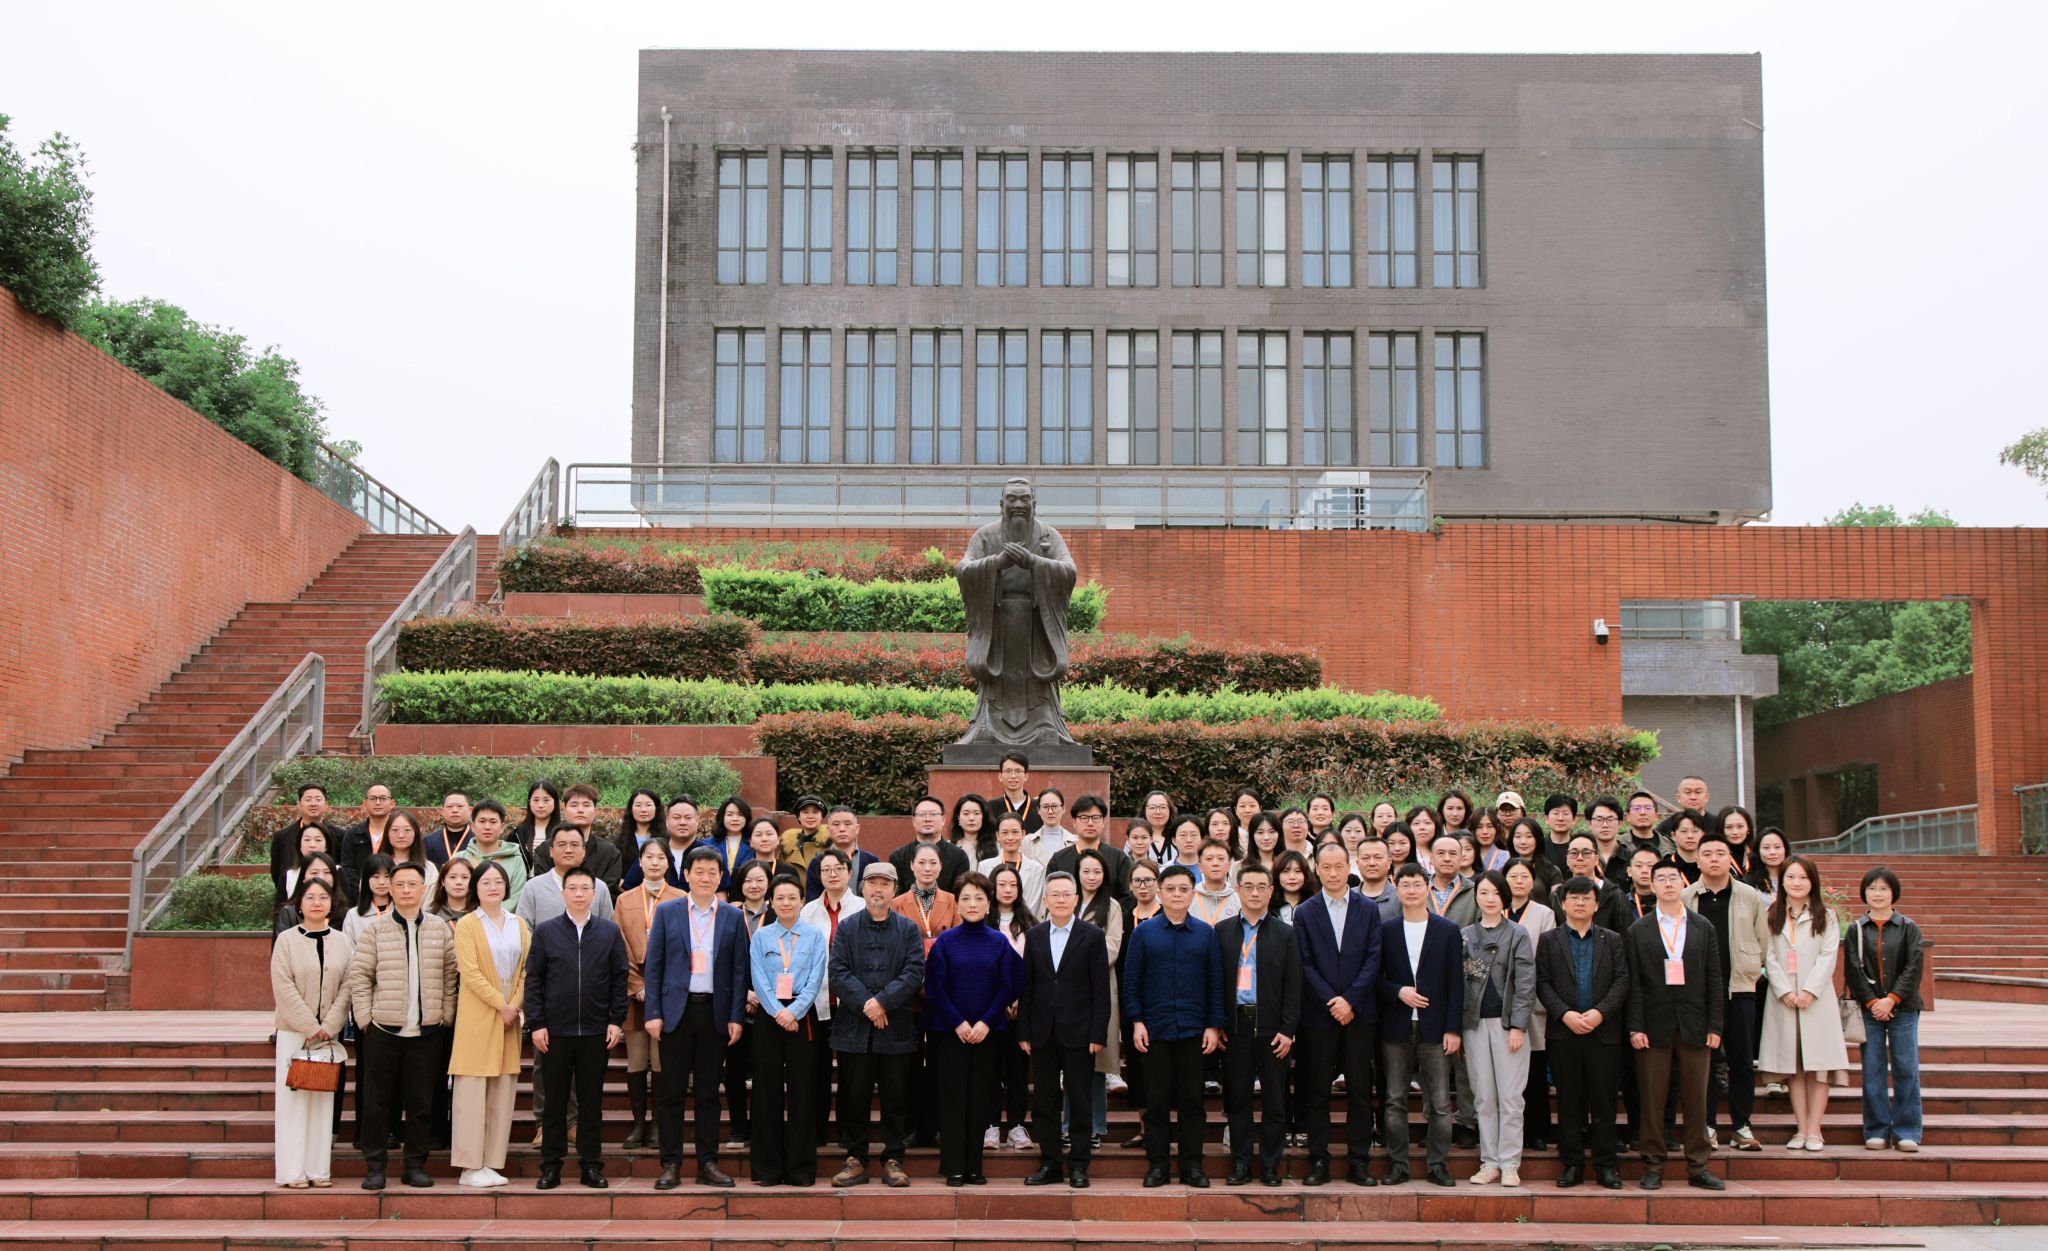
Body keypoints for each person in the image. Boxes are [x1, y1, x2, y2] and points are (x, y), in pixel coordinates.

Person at [345, 862, 458, 1191]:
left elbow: (450, 975)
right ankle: (375, 1166)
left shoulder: (439, 928)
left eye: (413, 884)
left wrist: (445, 1014)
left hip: (427, 1032)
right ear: (391, 890)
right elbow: (360, 976)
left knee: (422, 1102)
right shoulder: (375, 930)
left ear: (424, 889)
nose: (407, 890)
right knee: (377, 1102)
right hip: (383, 1031)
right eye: (400, 885)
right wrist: (365, 1019)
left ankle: (415, 1165)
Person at [644, 845, 751, 1189]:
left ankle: (708, 1163)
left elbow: (739, 971)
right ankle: (671, 1164)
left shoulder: (733, 916)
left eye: (712, 872)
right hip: (675, 1012)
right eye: (699, 871)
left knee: (708, 1093)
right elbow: (654, 965)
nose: (705, 878)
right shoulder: (667, 911)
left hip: (715, 1013)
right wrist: (653, 1012)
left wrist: (736, 1016)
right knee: (671, 1092)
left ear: (721, 877)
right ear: (686, 875)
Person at [525, 865, 628, 1190]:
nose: (579, 894)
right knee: (554, 1103)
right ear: (563, 893)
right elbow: (534, 980)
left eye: (585, 888)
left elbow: (619, 978)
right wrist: (537, 1023)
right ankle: (550, 1167)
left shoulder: (609, 932)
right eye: (573, 888)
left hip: (596, 1031)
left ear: (594, 894)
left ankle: (591, 1166)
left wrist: (616, 1020)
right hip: (555, 1032)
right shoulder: (546, 932)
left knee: (591, 1103)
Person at [1625, 859, 1725, 1191]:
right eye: (1661, 879)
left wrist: (1715, 1025)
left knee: (1696, 1099)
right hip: (1653, 1025)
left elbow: (1714, 979)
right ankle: (1653, 1165)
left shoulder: (1702, 926)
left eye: (1673, 877)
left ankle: (1698, 1166)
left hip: (1696, 1024)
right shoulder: (1638, 930)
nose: (1668, 883)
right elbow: (1634, 984)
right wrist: (1635, 1027)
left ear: (1683, 883)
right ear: (1651, 886)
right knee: (1653, 1100)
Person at [1124, 864, 1224, 1188]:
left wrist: (1213, 1025)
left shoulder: (1206, 934)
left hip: (1194, 1030)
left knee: (1193, 1101)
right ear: (1159, 893)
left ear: (1193, 894)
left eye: (1183, 889)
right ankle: (1158, 1166)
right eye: (1170, 889)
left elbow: (1215, 982)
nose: (1177, 894)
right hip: (1155, 1029)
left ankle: (1192, 1166)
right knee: (1156, 1102)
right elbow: (1131, 981)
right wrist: (1137, 1021)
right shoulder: (1143, 933)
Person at [828, 862, 926, 1189]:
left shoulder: (908, 929)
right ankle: (855, 1158)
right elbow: (838, 971)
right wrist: (867, 1004)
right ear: (862, 888)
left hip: (895, 1028)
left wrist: (883, 1001)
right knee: (854, 1096)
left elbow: (914, 971)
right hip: (854, 1028)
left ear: (895, 889)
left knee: (895, 1097)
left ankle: (894, 1158)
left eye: (885, 883)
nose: (878, 889)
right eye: (872, 883)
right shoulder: (847, 927)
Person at [1294, 839, 1384, 1187]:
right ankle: (1319, 1160)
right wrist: (1333, 1000)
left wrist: (1350, 1000)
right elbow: (1304, 963)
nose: (1333, 873)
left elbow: (1373, 958)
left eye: (1339, 866)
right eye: (1326, 867)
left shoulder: (1368, 909)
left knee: (1360, 1091)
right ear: (1316, 869)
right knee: (1317, 1090)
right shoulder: (1305, 912)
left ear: (1350, 867)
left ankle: (1358, 1162)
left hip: (1360, 1015)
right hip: (1320, 1016)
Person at [923, 872, 1022, 1186]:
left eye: (979, 898)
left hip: (986, 1033)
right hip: (951, 1032)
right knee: (953, 1099)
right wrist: (959, 1023)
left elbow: (1008, 985)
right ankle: (954, 1167)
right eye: (966, 898)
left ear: (988, 903)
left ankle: (974, 1167)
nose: (972, 904)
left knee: (981, 1099)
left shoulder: (999, 942)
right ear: (957, 903)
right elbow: (935, 988)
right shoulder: (945, 942)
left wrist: (984, 1022)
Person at [1018, 870, 1111, 1188]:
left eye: (1066, 894)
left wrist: (1098, 1033)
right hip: (1043, 1032)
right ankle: (1050, 1163)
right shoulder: (1035, 935)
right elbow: (1028, 987)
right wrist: (1024, 1031)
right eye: (1054, 894)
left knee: (1080, 1101)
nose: (1060, 899)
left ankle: (1080, 1165)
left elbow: (1101, 989)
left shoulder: (1092, 935)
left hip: (1080, 1032)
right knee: (1044, 1103)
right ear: (1045, 900)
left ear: (1076, 899)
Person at [1535, 875, 1629, 1190]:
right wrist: (1565, 1014)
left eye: (1586, 898)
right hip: (1564, 1033)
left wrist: (1600, 1012)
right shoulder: (1549, 940)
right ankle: (1572, 1164)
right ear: (1562, 904)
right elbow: (1543, 983)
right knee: (1568, 1101)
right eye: (1573, 898)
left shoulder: (1612, 939)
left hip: (1604, 1033)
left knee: (1604, 1101)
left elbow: (1622, 980)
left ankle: (1606, 1166)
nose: (1579, 903)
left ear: (1596, 904)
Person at [1683, 831, 1772, 1153]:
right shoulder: (1687, 897)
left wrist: (1751, 970)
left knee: (1742, 1061)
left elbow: (1764, 941)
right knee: (1703, 1062)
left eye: (1720, 853)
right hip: (1700, 996)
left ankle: (1741, 1125)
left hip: (1741, 990)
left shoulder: (1749, 896)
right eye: (1707, 854)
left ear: (1729, 858)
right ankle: (1706, 1125)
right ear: (1697, 860)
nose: (1714, 859)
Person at [1378, 862, 1463, 1187]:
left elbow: (1456, 983)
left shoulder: (1447, 930)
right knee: (1394, 1099)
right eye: (1405, 885)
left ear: (1427, 888)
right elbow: (1375, 978)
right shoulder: (1386, 930)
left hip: (1436, 1028)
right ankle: (1398, 1164)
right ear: (1396, 888)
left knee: (1440, 1102)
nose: (1411, 891)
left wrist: (1453, 1028)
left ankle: (1437, 1164)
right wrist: (1397, 991)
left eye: (1417, 884)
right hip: (1396, 1026)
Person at [1216, 862, 1300, 1187]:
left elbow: (1294, 985)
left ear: (1271, 891)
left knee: (1275, 1101)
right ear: (1237, 890)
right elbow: (1214, 982)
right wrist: (1217, 1023)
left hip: (1272, 1028)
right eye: (1248, 886)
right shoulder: (1222, 931)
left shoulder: (1285, 933)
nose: (1254, 893)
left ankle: (1270, 1166)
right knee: (1238, 1099)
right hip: (1234, 1025)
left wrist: (1288, 1029)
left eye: (1261, 887)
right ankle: (1240, 1163)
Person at [1759, 856, 1851, 1151]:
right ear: (1782, 881)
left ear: (1813, 882)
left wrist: (1810, 991)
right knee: (1794, 1066)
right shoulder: (1772, 914)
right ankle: (1800, 1128)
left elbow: (1828, 957)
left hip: (1817, 1001)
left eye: (1803, 877)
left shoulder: (1827, 916)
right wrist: (1784, 991)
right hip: (1784, 1000)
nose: (1796, 883)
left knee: (1819, 1066)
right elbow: (1769, 956)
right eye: (1790, 877)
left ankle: (1815, 1130)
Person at [447, 861, 529, 1188]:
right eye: (486, 882)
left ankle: (492, 1162)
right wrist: (501, 1005)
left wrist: (514, 1005)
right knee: (472, 1090)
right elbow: (470, 973)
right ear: (475, 888)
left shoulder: (518, 923)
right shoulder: (467, 924)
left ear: (506, 887)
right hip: (479, 1013)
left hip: (510, 1015)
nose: (493, 887)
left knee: (502, 1090)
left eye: (498, 882)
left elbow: (527, 969)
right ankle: (470, 1166)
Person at [272, 877, 354, 1188]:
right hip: (295, 1032)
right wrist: (310, 1026)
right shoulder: (287, 941)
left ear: (332, 904)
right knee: (293, 1102)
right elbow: (283, 987)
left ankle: (318, 1170)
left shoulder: (342, 941)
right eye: (310, 897)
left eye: (323, 897)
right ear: (299, 904)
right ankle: (292, 1172)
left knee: (322, 1102)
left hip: (328, 1035)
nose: (317, 902)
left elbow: (348, 985)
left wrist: (329, 1026)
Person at [749, 872, 830, 1187]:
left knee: (802, 1091)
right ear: (771, 901)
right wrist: (778, 1012)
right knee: (766, 1091)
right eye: (779, 898)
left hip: (802, 1014)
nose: (786, 903)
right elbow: (758, 978)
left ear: (801, 901)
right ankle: (768, 1168)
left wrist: (793, 1011)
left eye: (792, 897)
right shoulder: (761, 936)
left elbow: (815, 979)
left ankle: (800, 1169)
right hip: (769, 1015)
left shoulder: (813, 936)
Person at [1458, 870, 1535, 1187]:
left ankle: (1510, 1163)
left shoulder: (1517, 934)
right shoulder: (1465, 936)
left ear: (1505, 896)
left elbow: (1525, 983)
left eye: (1495, 893)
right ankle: (1489, 1161)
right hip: (1474, 1026)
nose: (1489, 899)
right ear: (1476, 897)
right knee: (1484, 1097)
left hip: (1508, 1027)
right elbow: (1460, 983)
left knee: (1511, 1098)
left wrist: (1518, 1025)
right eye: (1483, 893)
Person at [1846, 866, 1925, 1152]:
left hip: (1903, 1008)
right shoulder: (1856, 929)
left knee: (1906, 1068)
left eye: (1883, 889)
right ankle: (1876, 1129)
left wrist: (1891, 999)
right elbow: (1852, 970)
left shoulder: (1908, 927)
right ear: (1864, 893)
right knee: (1873, 1069)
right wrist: (1872, 1002)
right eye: (1871, 888)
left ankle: (1906, 1131)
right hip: (1869, 1010)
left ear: (1893, 893)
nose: (1877, 894)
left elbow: (1914, 967)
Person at [892, 841, 957, 1150]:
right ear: (912, 866)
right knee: (910, 1066)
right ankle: (912, 1127)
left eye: (933, 863)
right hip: (908, 996)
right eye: (922, 863)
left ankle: (939, 1125)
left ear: (941, 867)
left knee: (942, 1065)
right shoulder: (897, 903)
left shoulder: (953, 901)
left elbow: (958, 946)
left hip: (943, 994)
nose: (927, 868)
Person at [615, 838, 676, 1151]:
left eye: (660, 857)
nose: (654, 862)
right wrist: (638, 986)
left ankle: (659, 1124)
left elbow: (682, 949)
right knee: (637, 1059)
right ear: (639, 862)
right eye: (649, 857)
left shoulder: (680, 898)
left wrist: (659, 988)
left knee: (662, 1060)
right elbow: (620, 947)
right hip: (634, 992)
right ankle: (639, 1122)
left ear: (668, 863)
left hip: (667, 993)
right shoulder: (624, 900)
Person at [798, 848, 855, 1143]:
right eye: (826, 870)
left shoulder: (861, 908)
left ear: (849, 872)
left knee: (850, 1072)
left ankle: (847, 1131)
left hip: (852, 1004)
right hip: (816, 1001)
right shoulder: (807, 911)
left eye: (838, 868)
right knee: (816, 1070)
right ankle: (817, 1131)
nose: (832, 874)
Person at [1503, 856, 1555, 1152]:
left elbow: (1546, 957)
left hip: (1532, 1000)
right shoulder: (1494, 909)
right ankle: (1509, 1133)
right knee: (1506, 1072)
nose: (1519, 881)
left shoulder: (1544, 913)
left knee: (1534, 1071)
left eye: (1524, 876)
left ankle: (1537, 1131)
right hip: (1498, 1002)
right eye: (1513, 876)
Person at [986, 862, 1038, 1152]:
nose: (1007, 890)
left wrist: (1019, 999)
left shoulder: (1030, 924)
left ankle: (1017, 1125)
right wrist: (1001, 999)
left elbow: (1035, 969)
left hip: (1023, 1010)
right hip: (990, 1010)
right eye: (1002, 884)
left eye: (1013, 885)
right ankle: (991, 1125)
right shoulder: (983, 922)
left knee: (1018, 1070)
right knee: (991, 1069)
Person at [517, 825, 615, 926]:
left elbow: (608, 928)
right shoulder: (533, 887)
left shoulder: (599, 887)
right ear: (551, 851)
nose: (568, 850)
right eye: (561, 845)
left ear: (584, 851)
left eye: (574, 845)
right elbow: (523, 929)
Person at [1048, 794, 1131, 899]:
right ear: (1074, 822)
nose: (1090, 823)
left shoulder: (1119, 858)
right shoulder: (1058, 860)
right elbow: (1051, 896)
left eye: (1095, 818)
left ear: (1103, 822)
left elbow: (1126, 897)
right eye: (1084, 818)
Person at [454, 800, 528, 910]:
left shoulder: (515, 860)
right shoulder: (459, 858)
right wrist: (473, 917)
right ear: (473, 826)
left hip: (502, 919)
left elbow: (515, 897)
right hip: (464, 918)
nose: (487, 827)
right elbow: (451, 894)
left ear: (502, 827)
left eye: (493, 822)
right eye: (482, 821)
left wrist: (491, 915)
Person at [889, 794, 971, 894]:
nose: (927, 819)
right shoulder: (898, 856)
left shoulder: (959, 856)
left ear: (943, 820)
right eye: (922, 814)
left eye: (933, 814)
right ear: (914, 821)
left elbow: (961, 895)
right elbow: (895, 896)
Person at [271, 784, 335, 907]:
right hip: (292, 903)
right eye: (308, 799)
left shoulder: (340, 836)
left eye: (318, 799)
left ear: (326, 804)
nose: (313, 803)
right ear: (299, 804)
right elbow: (277, 874)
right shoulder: (282, 837)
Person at [558, 785, 624, 899]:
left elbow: (609, 892)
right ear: (564, 811)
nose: (580, 810)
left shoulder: (610, 853)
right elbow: (545, 889)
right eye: (574, 805)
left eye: (586, 805)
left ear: (595, 811)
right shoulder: (547, 850)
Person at [1554, 836, 1630, 933]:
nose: (1580, 858)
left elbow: (1625, 936)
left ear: (1596, 859)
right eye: (1574, 853)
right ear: (1567, 860)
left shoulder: (1616, 896)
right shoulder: (1558, 895)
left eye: (1586, 853)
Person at [806, 806, 880, 902]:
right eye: (836, 824)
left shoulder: (871, 860)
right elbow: (812, 899)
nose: (842, 829)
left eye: (847, 824)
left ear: (857, 828)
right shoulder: (817, 862)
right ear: (828, 830)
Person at [979, 812, 1048, 913]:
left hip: (1024, 921)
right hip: (993, 920)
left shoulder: (1037, 869)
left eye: (1015, 832)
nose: (1010, 837)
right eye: (1005, 832)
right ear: (997, 835)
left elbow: (1033, 906)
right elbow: (984, 900)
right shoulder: (984, 866)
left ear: (1023, 834)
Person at [337, 783, 396, 899]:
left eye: (383, 798)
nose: (378, 802)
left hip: (393, 897)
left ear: (392, 803)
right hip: (359, 898)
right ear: (365, 804)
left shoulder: (399, 834)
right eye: (373, 799)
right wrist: (363, 891)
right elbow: (347, 869)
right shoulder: (352, 835)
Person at [624, 795, 695, 890]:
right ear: (667, 821)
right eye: (676, 817)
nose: (682, 822)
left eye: (688, 818)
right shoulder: (651, 851)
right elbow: (628, 888)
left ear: (697, 820)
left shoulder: (707, 854)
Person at [277, 853, 347, 937]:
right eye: (314, 872)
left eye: (327, 872)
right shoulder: (289, 914)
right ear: (303, 877)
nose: (321, 877)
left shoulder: (346, 914)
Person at [382, 809, 440, 903]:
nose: (401, 835)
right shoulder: (377, 865)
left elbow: (431, 903)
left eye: (407, 830)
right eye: (395, 830)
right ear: (386, 833)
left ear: (415, 833)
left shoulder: (429, 868)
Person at [703, 797, 754, 895]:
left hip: (745, 895)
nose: (735, 819)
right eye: (730, 814)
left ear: (746, 818)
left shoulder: (754, 844)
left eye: (740, 814)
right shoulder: (707, 844)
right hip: (714, 895)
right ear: (722, 817)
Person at [512, 780, 563, 874]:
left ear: (555, 802)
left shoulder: (564, 833)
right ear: (529, 802)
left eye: (546, 800)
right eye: (536, 800)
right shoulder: (518, 833)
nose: (540, 805)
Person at [609, 788, 664, 874]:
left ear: (656, 808)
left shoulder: (667, 839)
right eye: (638, 805)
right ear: (631, 809)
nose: (643, 810)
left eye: (648, 805)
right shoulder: (621, 842)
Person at [344, 854, 394, 945]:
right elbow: (349, 949)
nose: (382, 882)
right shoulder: (353, 915)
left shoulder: (402, 912)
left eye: (387, 876)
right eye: (376, 877)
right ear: (366, 879)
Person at [990, 752, 1044, 834]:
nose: (1013, 776)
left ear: (1026, 776)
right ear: (1000, 776)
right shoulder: (990, 807)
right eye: (1008, 771)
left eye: (1018, 771)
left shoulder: (1040, 807)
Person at [1191, 839, 1240, 925]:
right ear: (1200, 867)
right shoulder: (1190, 899)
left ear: (1229, 866)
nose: (1215, 863)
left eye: (1221, 858)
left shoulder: (1238, 899)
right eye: (1209, 859)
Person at [1510, 820, 1563, 899]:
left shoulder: (1551, 871)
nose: (1523, 842)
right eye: (1518, 836)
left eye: (1529, 836)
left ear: (1538, 839)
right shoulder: (1505, 869)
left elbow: (1557, 902)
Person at [279, 823, 331, 904]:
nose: (312, 845)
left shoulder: (337, 871)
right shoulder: (289, 875)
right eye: (307, 840)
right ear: (299, 846)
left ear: (326, 846)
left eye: (318, 840)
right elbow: (280, 908)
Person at [1025, 787, 1077, 866]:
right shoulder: (1026, 843)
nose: (1050, 811)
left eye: (1055, 806)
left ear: (1063, 809)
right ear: (1039, 810)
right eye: (1045, 807)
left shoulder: (1075, 842)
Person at [424, 790, 472, 865]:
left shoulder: (478, 841)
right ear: (442, 811)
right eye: (450, 806)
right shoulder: (428, 842)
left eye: (460, 806)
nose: (455, 810)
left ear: (470, 810)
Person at [1354, 835, 1397, 918]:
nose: (1372, 863)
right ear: (1358, 864)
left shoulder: (1401, 898)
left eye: (1378, 857)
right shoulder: (1347, 898)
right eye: (1365, 858)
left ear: (1389, 862)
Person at [950, 794, 998, 864]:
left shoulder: (997, 846)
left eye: (976, 813)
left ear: (983, 817)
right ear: (958, 817)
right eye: (966, 814)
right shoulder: (949, 847)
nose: (971, 818)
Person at [431, 858, 475, 923]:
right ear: (443, 881)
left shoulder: (481, 915)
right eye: (452, 877)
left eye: (464, 877)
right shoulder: (429, 916)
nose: (458, 882)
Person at [1541, 795, 1580, 869]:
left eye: (1565, 814)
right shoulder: (1539, 847)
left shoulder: (1580, 847)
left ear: (1574, 819)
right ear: (1546, 819)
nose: (1560, 818)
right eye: (1556, 813)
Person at [1273, 850, 1312, 922]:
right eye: (1285, 871)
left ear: (1306, 874)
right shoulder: (1268, 906)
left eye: (1298, 871)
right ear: (1277, 875)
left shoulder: (1314, 905)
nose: (1292, 877)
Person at [1755, 827, 1791, 901]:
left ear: (1785, 849)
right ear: (1758, 851)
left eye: (1777, 847)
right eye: (1766, 847)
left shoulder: (1796, 878)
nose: (1772, 852)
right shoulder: (1749, 883)